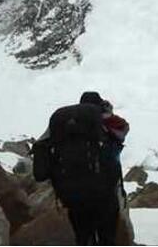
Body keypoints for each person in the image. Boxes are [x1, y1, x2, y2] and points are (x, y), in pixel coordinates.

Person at [32, 92, 130, 246]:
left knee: (82, 236)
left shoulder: (62, 122)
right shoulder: (101, 118)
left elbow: (41, 146)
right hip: (103, 192)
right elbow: (123, 130)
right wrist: (108, 113)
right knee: (106, 237)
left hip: (71, 193)